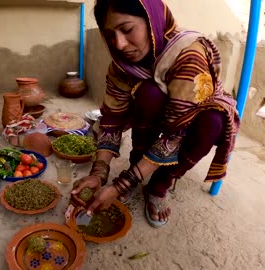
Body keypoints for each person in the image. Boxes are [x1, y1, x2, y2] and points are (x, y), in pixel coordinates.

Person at [71, 0, 240, 227]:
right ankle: (137, 165)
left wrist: (122, 185)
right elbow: (112, 119)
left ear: (152, 20)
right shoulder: (122, 65)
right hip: (158, 106)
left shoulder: (189, 55)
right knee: (150, 92)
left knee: (213, 121)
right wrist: (99, 173)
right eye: (110, 35)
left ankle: (161, 184)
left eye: (128, 29)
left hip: (195, 113)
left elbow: (175, 135)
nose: (119, 44)